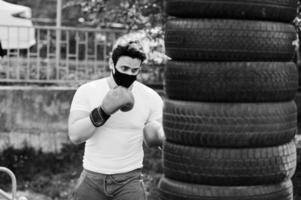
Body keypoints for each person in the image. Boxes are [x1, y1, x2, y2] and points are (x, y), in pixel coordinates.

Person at [68, 39, 164, 200]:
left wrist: (159, 137)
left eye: (135, 70)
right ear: (111, 64)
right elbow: (75, 136)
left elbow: (163, 139)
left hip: (130, 180)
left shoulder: (150, 97)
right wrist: (103, 112)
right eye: (124, 68)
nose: (129, 74)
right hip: (92, 178)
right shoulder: (88, 91)